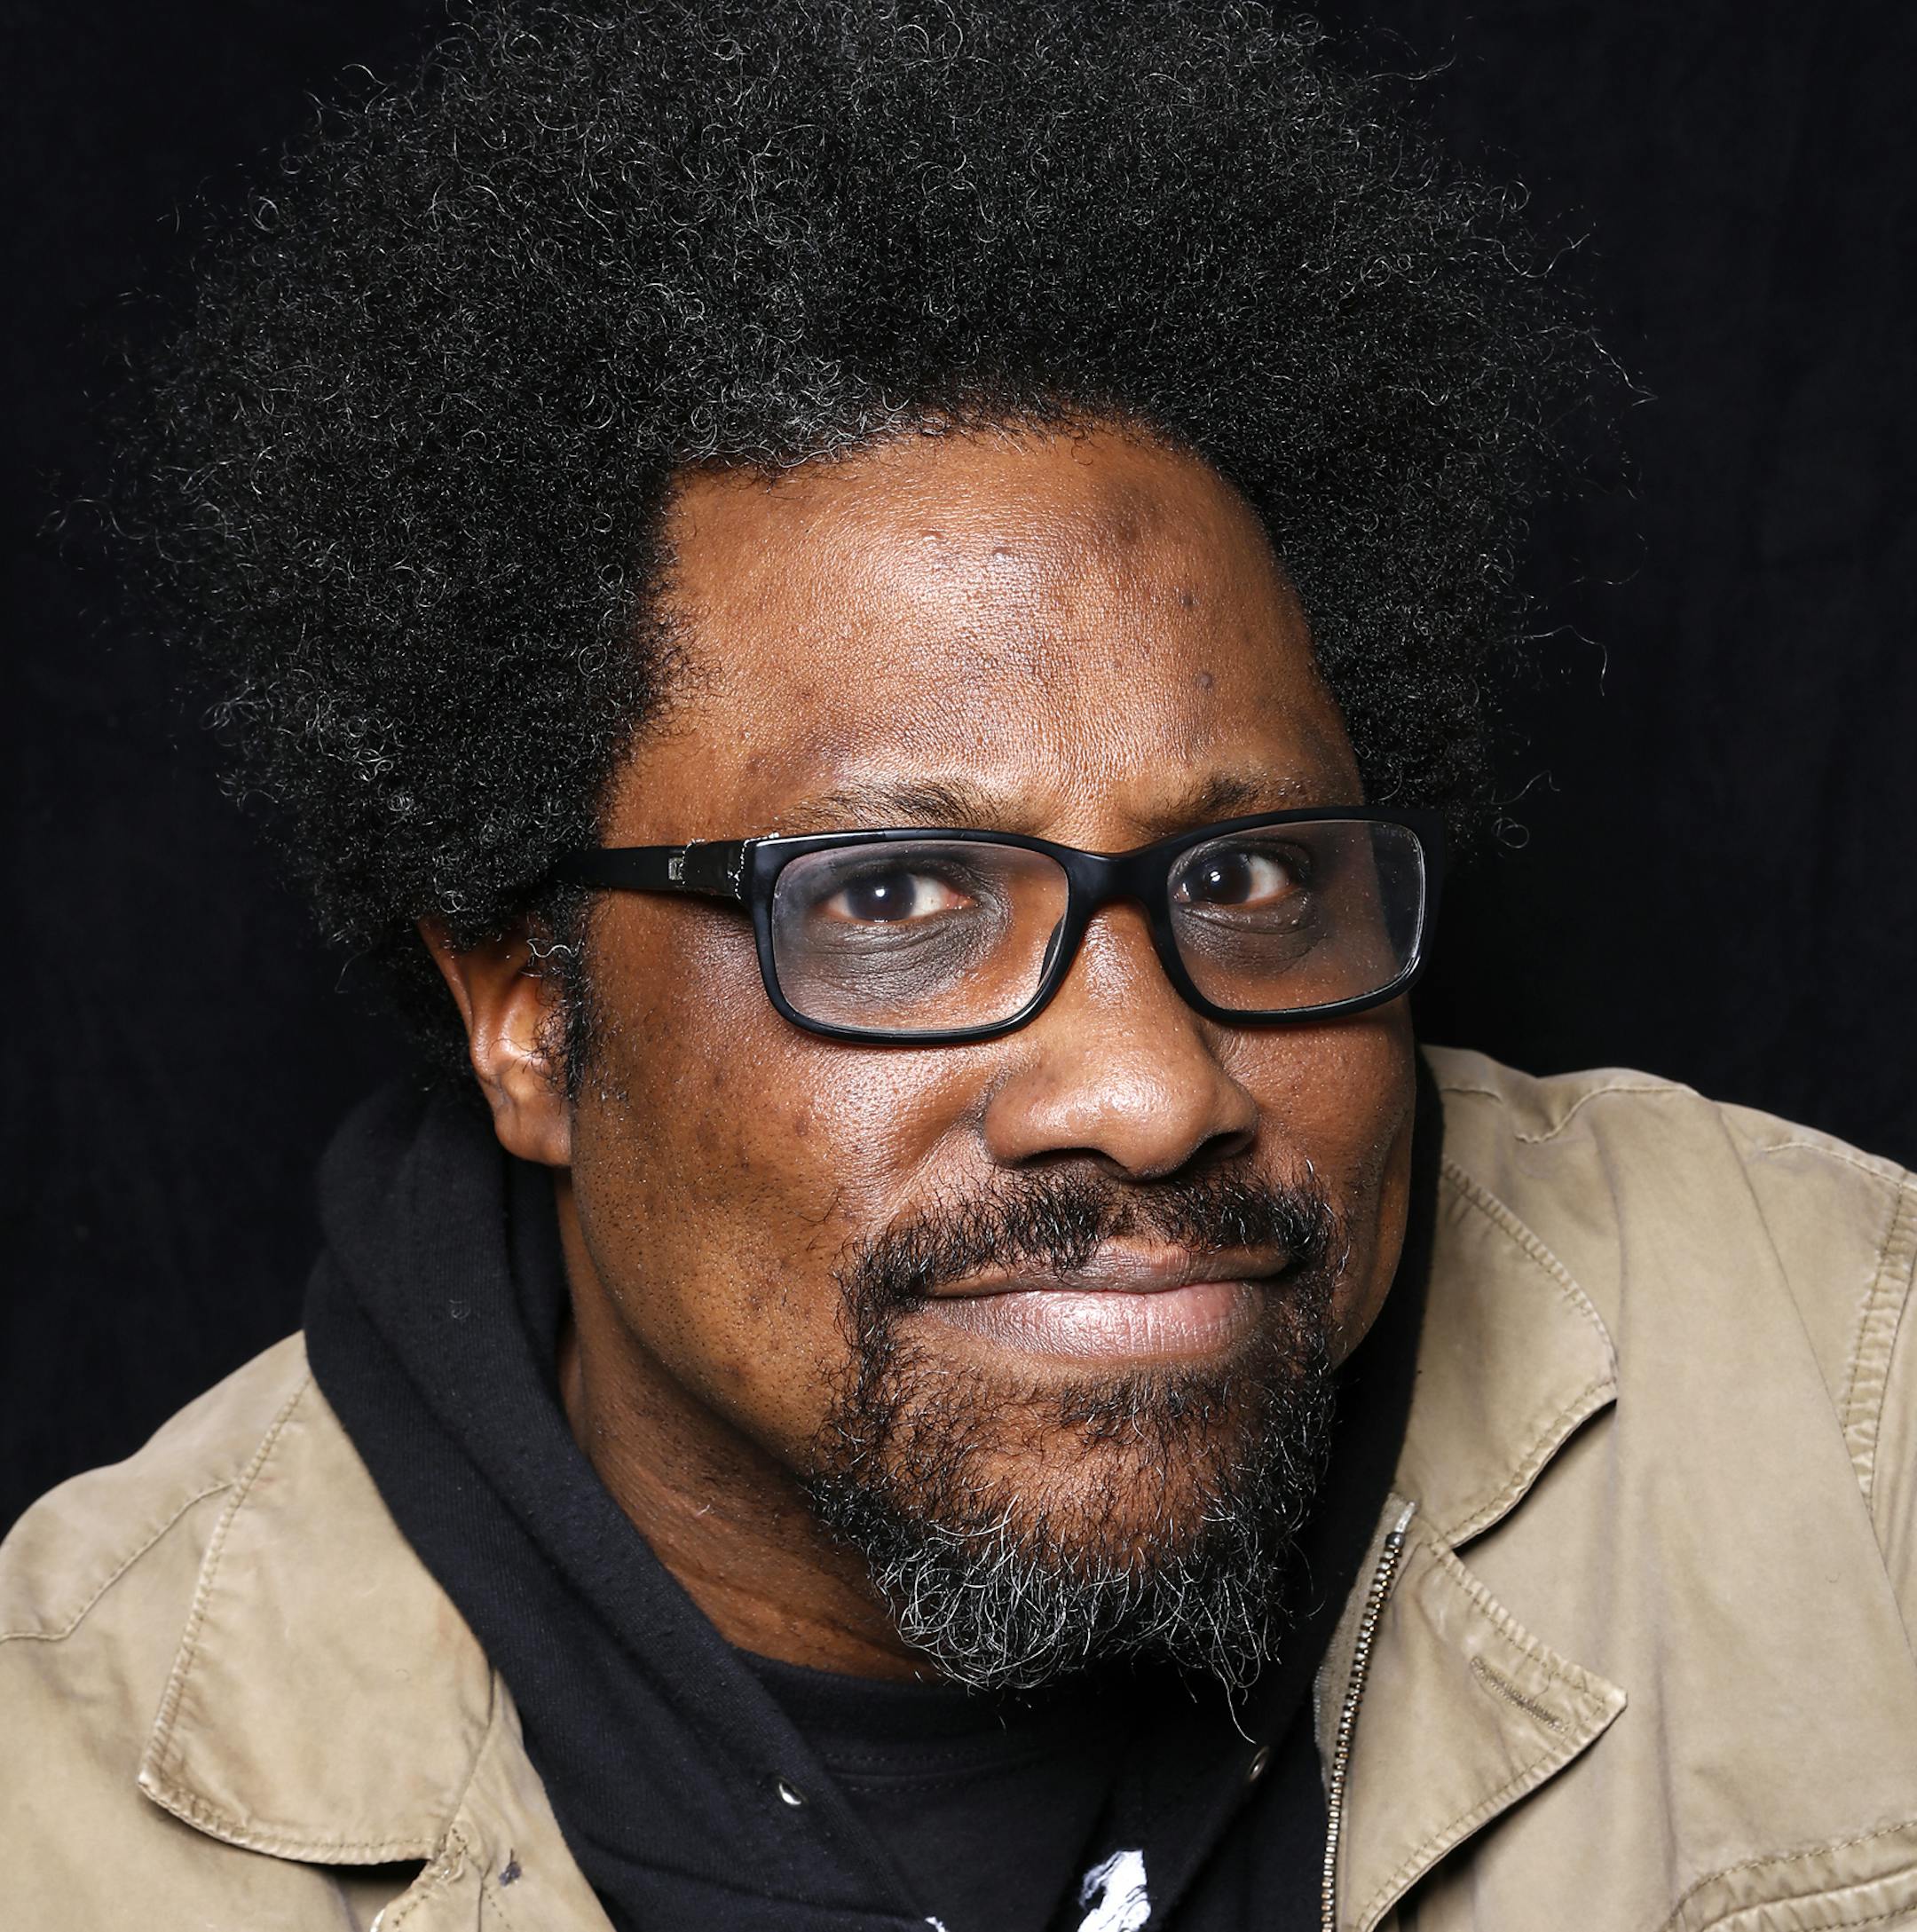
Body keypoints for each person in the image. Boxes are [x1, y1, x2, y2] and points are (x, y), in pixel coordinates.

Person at [4, 4, 1914, 1927]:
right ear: (525, 1009)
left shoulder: (1845, 1405)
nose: (1154, 1090)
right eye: (894, 900)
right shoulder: (64, 1805)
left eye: (1246, 872)